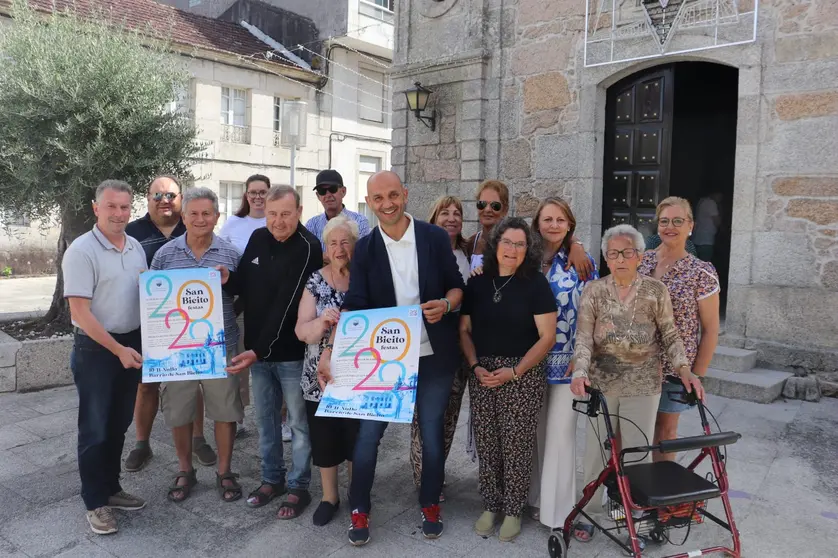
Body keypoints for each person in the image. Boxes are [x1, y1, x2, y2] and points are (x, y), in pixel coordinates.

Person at [317, 170, 464, 545]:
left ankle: (430, 501)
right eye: (378, 198)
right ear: (369, 203)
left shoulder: (432, 237)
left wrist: (446, 304)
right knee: (368, 437)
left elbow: (457, 287)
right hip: (383, 360)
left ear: (406, 194)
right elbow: (356, 303)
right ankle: (359, 507)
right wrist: (332, 350)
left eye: (393, 195)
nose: (387, 204)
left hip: (433, 354)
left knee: (431, 435)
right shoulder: (365, 247)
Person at [569, 224, 704, 545]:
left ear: (640, 256)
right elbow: (584, 336)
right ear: (605, 256)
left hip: (643, 385)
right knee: (596, 453)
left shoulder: (656, 291)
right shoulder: (594, 291)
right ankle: (590, 511)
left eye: (627, 252)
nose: (620, 259)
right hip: (601, 385)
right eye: (613, 253)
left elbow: (670, 335)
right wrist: (580, 372)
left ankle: (633, 517)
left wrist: (686, 369)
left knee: (637, 455)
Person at [221, 185, 322, 520]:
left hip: (291, 353)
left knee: (298, 423)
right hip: (258, 353)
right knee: (265, 421)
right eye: (273, 214)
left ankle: (298, 486)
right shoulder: (258, 238)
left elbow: (288, 303)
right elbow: (246, 286)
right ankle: (271, 480)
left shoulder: (308, 246)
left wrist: (258, 350)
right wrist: (226, 279)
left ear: (299, 212)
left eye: (286, 214)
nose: (278, 221)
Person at [460, 217, 557, 542]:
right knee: (488, 443)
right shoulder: (476, 283)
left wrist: (515, 371)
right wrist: (474, 366)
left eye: (520, 243)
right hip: (483, 373)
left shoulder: (535, 284)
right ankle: (491, 504)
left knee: (516, 446)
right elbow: (464, 331)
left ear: (527, 249)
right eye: (507, 242)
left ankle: (513, 510)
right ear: (495, 244)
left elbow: (547, 338)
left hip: (522, 375)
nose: (512, 249)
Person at [64, 180, 148, 535]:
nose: (118, 214)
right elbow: (81, 313)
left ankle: (111, 489)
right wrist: (118, 350)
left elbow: (146, 297)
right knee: (95, 428)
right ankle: (95, 502)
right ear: (96, 208)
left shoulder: (136, 247)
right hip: (97, 349)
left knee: (118, 425)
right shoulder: (82, 251)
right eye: (111, 207)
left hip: (130, 344)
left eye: (125, 207)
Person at [150, 188, 244, 503]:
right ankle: (185, 469)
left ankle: (224, 470)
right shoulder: (165, 254)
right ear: (184, 216)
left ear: (216, 217)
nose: (200, 219)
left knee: (225, 410)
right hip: (178, 350)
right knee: (178, 411)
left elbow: (244, 294)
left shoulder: (231, 254)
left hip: (220, 346)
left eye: (207, 213)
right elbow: (153, 300)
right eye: (194, 213)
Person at [124, 176, 217, 473]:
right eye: (157, 194)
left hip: (192, 325)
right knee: (146, 384)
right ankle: (142, 443)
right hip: (149, 324)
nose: (164, 199)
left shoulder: (193, 223)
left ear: (181, 199)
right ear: (148, 198)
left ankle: (198, 438)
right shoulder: (132, 232)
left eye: (171, 195)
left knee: (194, 379)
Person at [527, 198, 598, 530]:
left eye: (560, 220)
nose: (553, 225)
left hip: (566, 365)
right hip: (528, 362)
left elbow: (592, 315)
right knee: (535, 434)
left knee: (560, 436)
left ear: (570, 224)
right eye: (547, 219)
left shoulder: (582, 264)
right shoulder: (525, 258)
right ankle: (535, 500)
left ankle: (560, 514)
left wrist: (582, 360)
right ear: (537, 223)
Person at [638, 197, 720, 462]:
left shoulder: (701, 272)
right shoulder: (640, 262)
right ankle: (625, 500)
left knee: (665, 433)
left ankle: (661, 502)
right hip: (634, 365)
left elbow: (710, 329)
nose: (670, 227)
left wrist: (697, 374)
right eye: (664, 221)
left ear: (691, 226)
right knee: (630, 431)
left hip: (676, 368)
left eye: (677, 221)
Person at [294, 216, 360, 527]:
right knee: (325, 437)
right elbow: (300, 331)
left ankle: (356, 494)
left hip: (359, 375)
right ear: (325, 248)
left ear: (354, 246)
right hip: (318, 376)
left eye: (346, 241)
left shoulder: (365, 278)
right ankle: (329, 497)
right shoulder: (315, 281)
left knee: (355, 437)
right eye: (333, 242)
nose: (339, 248)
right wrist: (322, 323)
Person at [408, 196, 471, 499]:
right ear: (433, 219)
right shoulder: (422, 250)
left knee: (450, 413)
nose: (451, 218)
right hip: (430, 342)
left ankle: (437, 471)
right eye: (444, 212)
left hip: (463, 344)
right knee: (426, 414)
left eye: (457, 213)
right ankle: (423, 476)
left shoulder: (470, 249)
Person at [218, 174, 272, 440]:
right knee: (239, 359)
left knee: (273, 358)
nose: (258, 197)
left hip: (270, 302)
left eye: (263, 192)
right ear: (246, 195)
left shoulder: (276, 220)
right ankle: (236, 415)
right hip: (239, 304)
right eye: (253, 192)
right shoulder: (233, 224)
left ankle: (280, 417)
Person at [466, 179, 595, 279]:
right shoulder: (471, 243)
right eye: (481, 204)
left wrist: (576, 245)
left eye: (495, 206)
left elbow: (553, 233)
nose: (487, 210)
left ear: (505, 209)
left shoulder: (520, 237)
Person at [304, 169, 371, 251]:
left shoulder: (360, 221)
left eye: (333, 189)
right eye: (322, 191)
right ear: (318, 196)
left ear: (343, 191)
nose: (328, 195)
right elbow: (309, 256)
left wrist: (322, 258)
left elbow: (360, 255)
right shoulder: (311, 225)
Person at [692, 192, 723, 262]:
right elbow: (717, 222)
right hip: (706, 241)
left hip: (697, 238)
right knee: (704, 265)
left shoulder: (701, 201)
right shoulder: (711, 203)